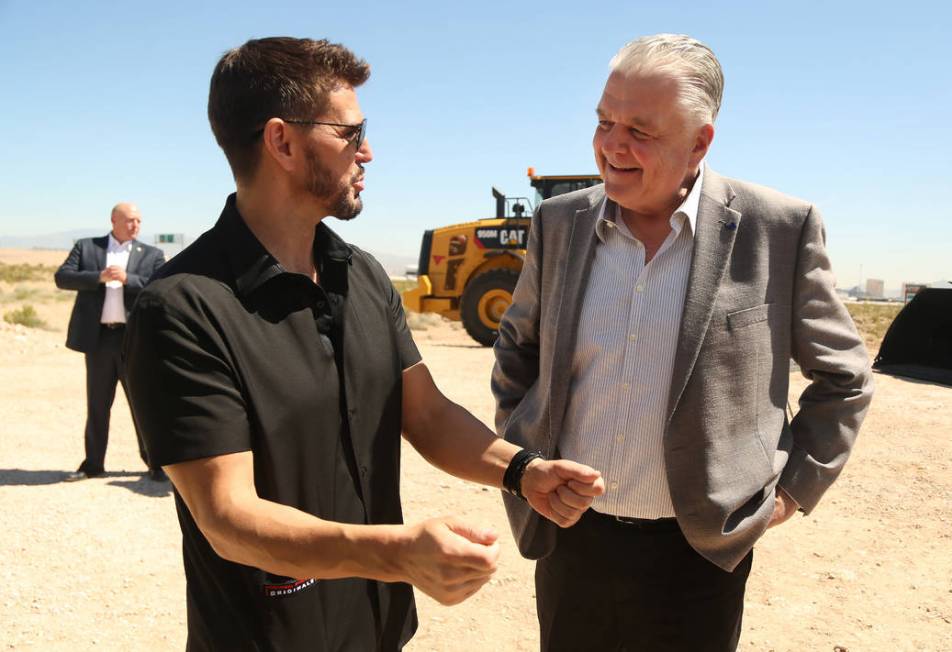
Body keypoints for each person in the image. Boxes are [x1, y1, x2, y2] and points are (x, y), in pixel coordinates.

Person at [122, 37, 604, 652]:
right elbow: (228, 518)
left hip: (376, 629)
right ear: (283, 143)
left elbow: (425, 415)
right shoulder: (183, 308)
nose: (368, 152)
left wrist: (522, 471)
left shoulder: (364, 274)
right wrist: (397, 554)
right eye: (351, 133)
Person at [492, 34, 874, 651]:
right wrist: (525, 458)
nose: (613, 145)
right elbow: (516, 349)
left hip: (700, 551)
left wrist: (789, 494)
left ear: (700, 141)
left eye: (641, 130)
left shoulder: (779, 228)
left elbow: (844, 379)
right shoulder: (558, 223)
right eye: (604, 121)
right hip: (571, 541)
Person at [54, 203, 166, 482]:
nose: (135, 225)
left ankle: (155, 465)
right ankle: (93, 464)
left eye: (139, 221)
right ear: (114, 220)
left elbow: (161, 284)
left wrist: (130, 279)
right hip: (99, 340)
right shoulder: (87, 247)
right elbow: (62, 277)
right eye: (130, 220)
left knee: (143, 404)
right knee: (98, 405)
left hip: (135, 340)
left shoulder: (152, 254)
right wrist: (98, 277)